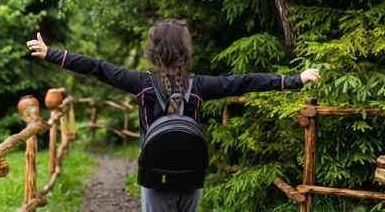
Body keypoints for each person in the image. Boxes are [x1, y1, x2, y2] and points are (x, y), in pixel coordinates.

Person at [26, 19, 320, 212]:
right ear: (184, 51)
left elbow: (97, 67)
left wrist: (51, 53)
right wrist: (296, 78)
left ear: (153, 52)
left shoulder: (140, 82)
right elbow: (245, 81)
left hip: (155, 179)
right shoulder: (201, 85)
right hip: (192, 179)